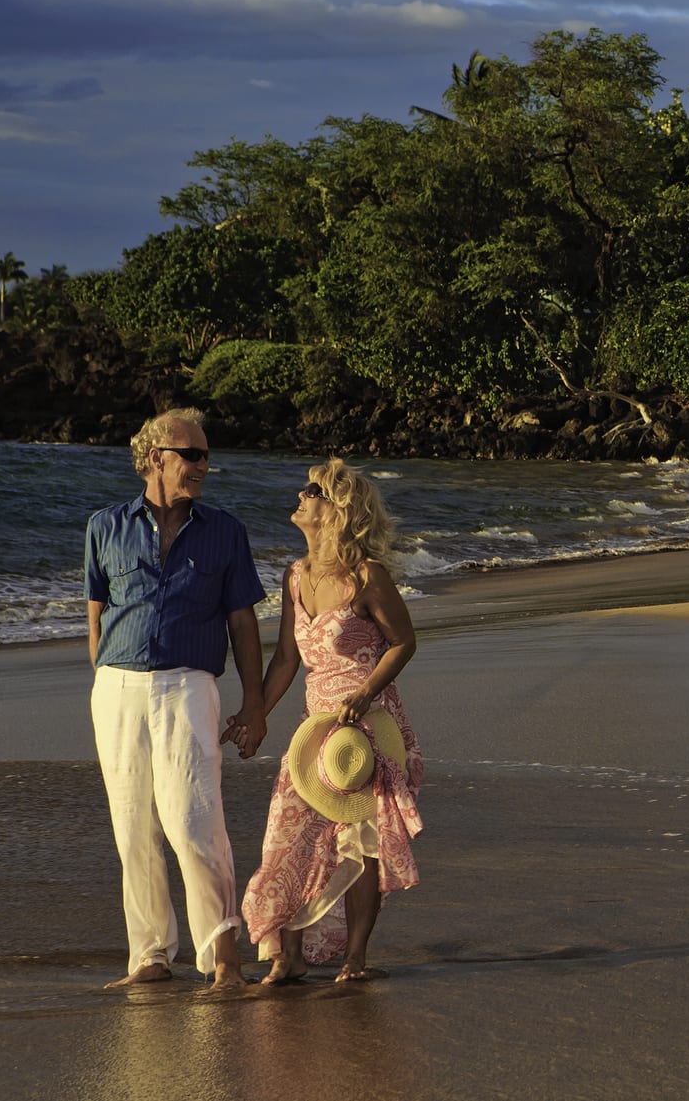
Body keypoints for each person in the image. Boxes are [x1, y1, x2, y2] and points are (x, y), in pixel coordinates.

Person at [84, 407, 266, 990]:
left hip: (189, 686)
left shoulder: (225, 531)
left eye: (206, 455)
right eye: (192, 455)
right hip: (117, 688)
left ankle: (223, 957)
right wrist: (109, 680)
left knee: (193, 822)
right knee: (132, 825)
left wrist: (255, 703)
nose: (203, 466)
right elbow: (96, 617)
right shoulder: (103, 526)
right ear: (156, 458)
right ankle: (150, 956)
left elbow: (243, 624)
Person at [235, 458, 422, 984]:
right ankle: (288, 956)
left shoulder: (367, 576)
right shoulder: (295, 576)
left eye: (312, 491)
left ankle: (354, 959)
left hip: (365, 727)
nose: (300, 496)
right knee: (287, 836)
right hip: (312, 727)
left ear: (336, 510)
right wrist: (257, 715)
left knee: (359, 842)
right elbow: (287, 661)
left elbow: (404, 642)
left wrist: (365, 693)